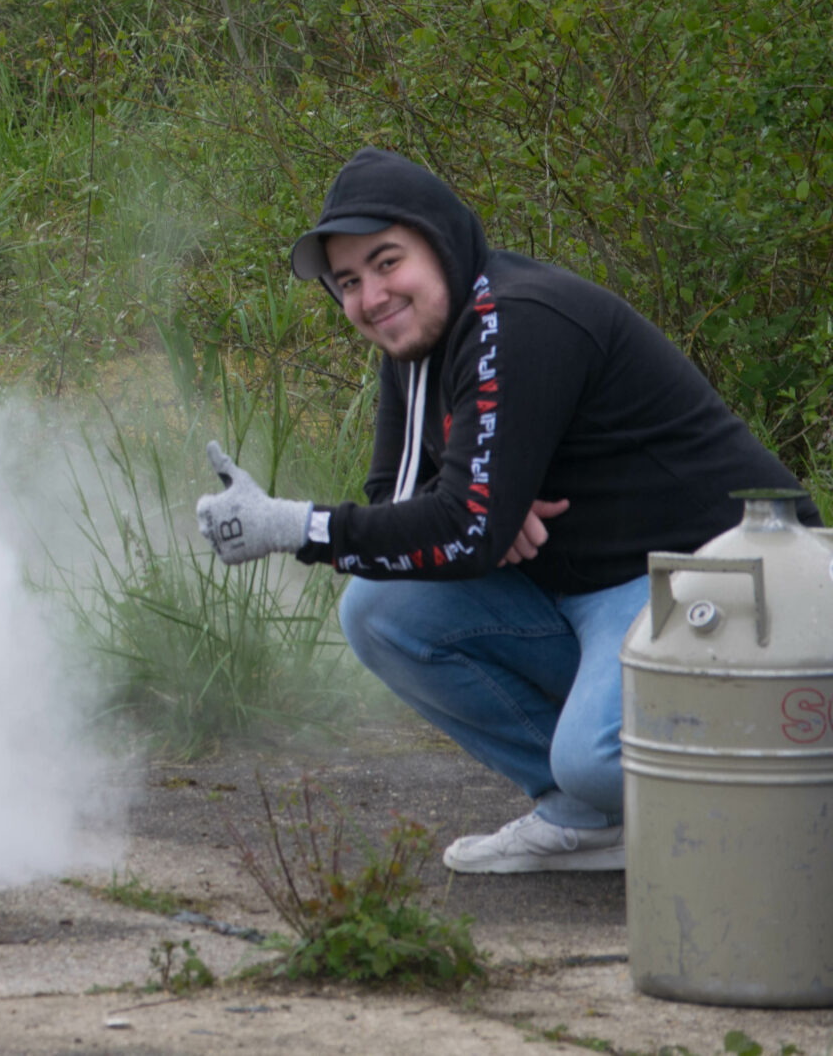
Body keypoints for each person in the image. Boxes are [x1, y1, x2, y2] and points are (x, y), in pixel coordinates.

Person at [194, 148, 810, 873]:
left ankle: (790, 800)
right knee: (380, 608)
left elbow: (461, 528)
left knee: (596, 755)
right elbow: (402, 506)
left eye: (388, 261)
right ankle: (589, 818)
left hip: (717, 576)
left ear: (441, 240)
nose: (371, 295)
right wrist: (478, 509)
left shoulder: (515, 319)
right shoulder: (413, 348)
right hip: (592, 588)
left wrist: (295, 526)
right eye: (349, 281)